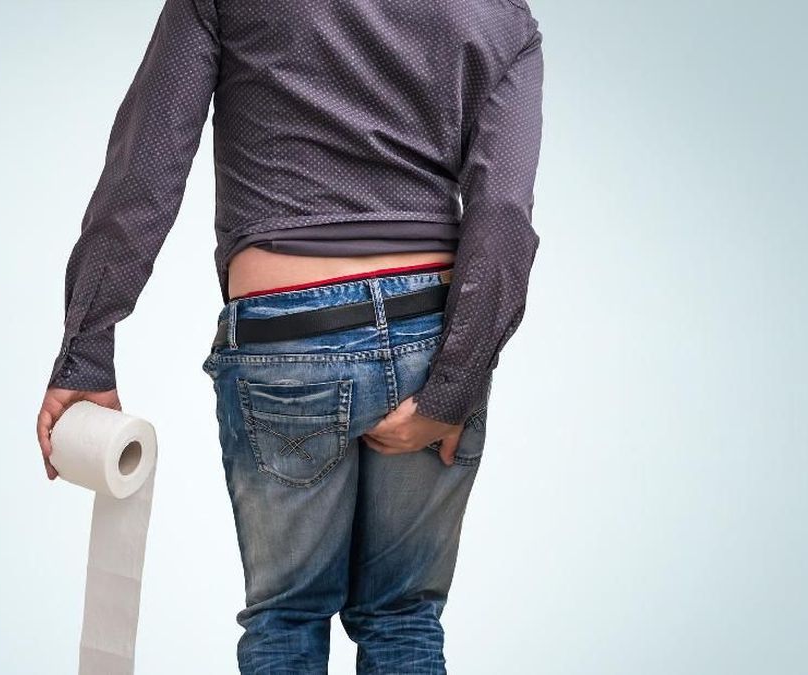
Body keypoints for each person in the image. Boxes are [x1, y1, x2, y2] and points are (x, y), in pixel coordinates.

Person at [37, 0, 544, 672]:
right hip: (433, 335)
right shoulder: (501, 15)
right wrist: (455, 384)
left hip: (288, 336)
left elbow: (147, 168)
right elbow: (503, 213)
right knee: (404, 619)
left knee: (286, 620)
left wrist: (86, 351)